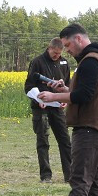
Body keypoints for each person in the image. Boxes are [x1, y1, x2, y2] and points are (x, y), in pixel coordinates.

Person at [36, 23, 98, 196]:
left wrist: (54, 97)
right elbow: (83, 92)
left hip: (89, 129)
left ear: (79, 39)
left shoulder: (90, 62)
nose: (67, 51)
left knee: (80, 179)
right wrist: (66, 91)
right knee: (95, 180)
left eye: (68, 45)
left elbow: (84, 96)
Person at [25, 37, 72, 183]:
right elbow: (28, 86)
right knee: (43, 141)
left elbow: (68, 85)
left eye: (59, 54)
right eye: (54, 53)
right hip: (41, 108)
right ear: (49, 48)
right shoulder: (37, 62)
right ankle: (46, 176)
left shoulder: (64, 63)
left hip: (58, 108)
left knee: (65, 141)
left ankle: (69, 176)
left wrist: (65, 100)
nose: (56, 56)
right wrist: (38, 100)